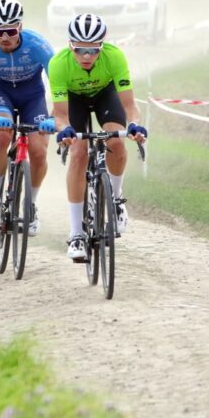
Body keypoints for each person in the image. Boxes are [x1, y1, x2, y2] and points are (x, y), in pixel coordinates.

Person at [50, 13, 147, 261]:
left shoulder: (114, 57)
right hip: (75, 100)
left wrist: (135, 125)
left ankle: (115, 199)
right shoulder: (59, 63)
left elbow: (129, 106)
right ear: (71, 44)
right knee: (79, 154)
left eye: (93, 51)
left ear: (101, 46)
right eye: (80, 49)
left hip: (105, 94)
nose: (86, 56)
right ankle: (76, 234)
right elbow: (60, 113)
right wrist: (64, 129)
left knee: (116, 141)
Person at [0, 0, 55, 237]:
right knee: (2, 134)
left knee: (39, 151)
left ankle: (31, 205)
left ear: (20, 26)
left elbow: (59, 85)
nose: (4, 37)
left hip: (32, 96)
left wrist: (56, 117)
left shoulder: (38, 44)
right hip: (0, 93)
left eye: (10, 30)